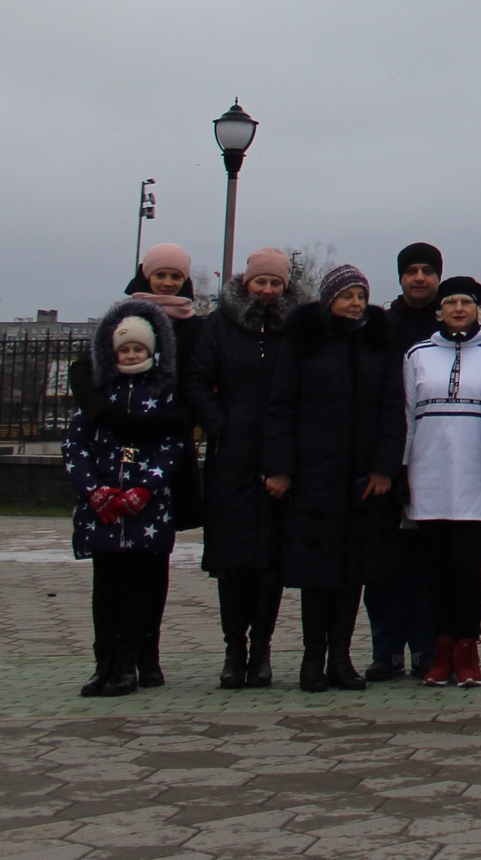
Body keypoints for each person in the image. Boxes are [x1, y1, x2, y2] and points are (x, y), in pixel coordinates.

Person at [66, 241, 205, 685]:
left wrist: (179, 421)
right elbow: (86, 372)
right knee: (111, 576)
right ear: (146, 276)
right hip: (112, 463)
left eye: (175, 277)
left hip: (160, 462)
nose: (167, 283)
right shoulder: (125, 317)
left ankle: (147, 653)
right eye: (159, 275)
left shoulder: (194, 328)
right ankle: (112, 658)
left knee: (152, 567)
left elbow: (201, 382)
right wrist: (110, 417)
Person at [263, 264, 406, 693]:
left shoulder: (377, 344)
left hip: (362, 477)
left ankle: (342, 657)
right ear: (329, 300)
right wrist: (281, 468)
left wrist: (384, 468)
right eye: (347, 296)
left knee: (353, 572)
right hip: (314, 474)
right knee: (317, 571)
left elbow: (391, 409)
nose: (356, 304)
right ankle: (313, 659)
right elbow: (281, 407)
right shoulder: (303, 343)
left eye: (361, 296)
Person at [184, 246, 298, 688]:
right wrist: (218, 423)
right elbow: (195, 378)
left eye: (275, 283)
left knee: (270, 562)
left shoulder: (294, 330)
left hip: (279, 457)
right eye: (260, 282)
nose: (267, 290)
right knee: (232, 563)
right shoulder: (220, 326)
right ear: (246, 284)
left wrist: (286, 460)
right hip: (231, 457)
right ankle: (235, 648)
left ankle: (263, 649)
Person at [402, 276, 481, 688]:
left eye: (467, 302)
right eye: (451, 302)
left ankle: (467, 648)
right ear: (439, 309)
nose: (459, 308)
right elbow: (407, 415)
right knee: (436, 568)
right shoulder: (418, 354)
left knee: (467, 566)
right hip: (429, 473)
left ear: (478, 308)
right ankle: (440, 650)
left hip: (475, 473)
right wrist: (403, 467)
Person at [364, 240, 446, 682]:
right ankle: (386, 647)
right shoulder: (381, 325)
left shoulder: (449, 325)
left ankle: (427, 646)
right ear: (400, 277)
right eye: (412, 270)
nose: (420, 278)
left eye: (427, 271)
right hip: (387, 459)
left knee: (427, 560)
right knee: (384, 561)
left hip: (434, 461)